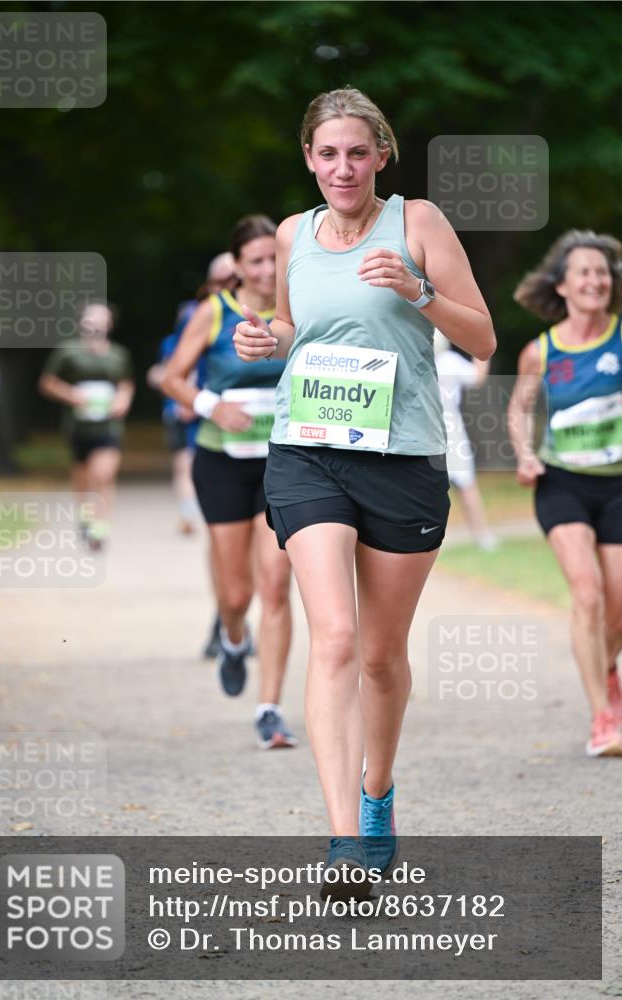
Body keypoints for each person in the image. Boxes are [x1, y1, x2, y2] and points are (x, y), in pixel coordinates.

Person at [234, 87, 495, 896]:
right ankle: (345, 839)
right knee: (336, 639)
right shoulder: (290, 234)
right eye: (326, 154)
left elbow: (482, 336)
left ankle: (377, 791)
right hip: (307, 450)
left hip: (402, 457)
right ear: (307, 159)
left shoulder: (416, 223)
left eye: (356, 152)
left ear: (380, 154)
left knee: (381, 658)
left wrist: (417, 291)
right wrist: (261, 337)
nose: (340, 168)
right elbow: (291, 327)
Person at [162, 216, 296, 750]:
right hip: (221, 464)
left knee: (276, 585)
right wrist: (213, 406)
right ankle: (234, 637)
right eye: (257, 261)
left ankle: (270, 709)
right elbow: (172, 378)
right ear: (236, 267)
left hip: (285, 465)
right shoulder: (212, 312)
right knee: (237, 594)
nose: (267, 270)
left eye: (274, 259)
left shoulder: (297, 309)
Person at [508, 230, 622, 757]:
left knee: (617, 603)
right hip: (563, 484)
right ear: (563, 285)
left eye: (602, 272)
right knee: (588, 591)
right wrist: (525, 454)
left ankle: (604, 666)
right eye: (585, 272)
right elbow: (518, 409)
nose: (596, 280)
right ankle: (604, 716)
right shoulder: (542, 350)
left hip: (617, 483)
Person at [147, 253, 238, 537]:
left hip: (238, 414)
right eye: (221, 280)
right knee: (187, 461)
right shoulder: (198, 316)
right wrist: (185, 398)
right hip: (194, 407)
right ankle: (190, 511)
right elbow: (173, 366)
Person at [38, 301, 135, 549]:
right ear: (82, 322)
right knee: (82, 477)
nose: (96, 323)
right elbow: (47, 383)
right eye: (91, 318)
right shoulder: (68, 352)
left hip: (109, 426)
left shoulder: (119, 354)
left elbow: (126, 383)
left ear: (110, 324)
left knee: (103, 474)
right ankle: (85, 516)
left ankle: (100, 528)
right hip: (78, 426)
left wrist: (123, 399)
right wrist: (72, 395)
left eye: (101, 318)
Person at [433, 329, 498, 550]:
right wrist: (483, 351)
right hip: (451, 428)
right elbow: (477, 378)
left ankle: (428, 538)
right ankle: (483, 536)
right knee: (467, 485)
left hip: (425, 427)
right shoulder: (449, 361)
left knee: (427, 486)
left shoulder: (415, 358)